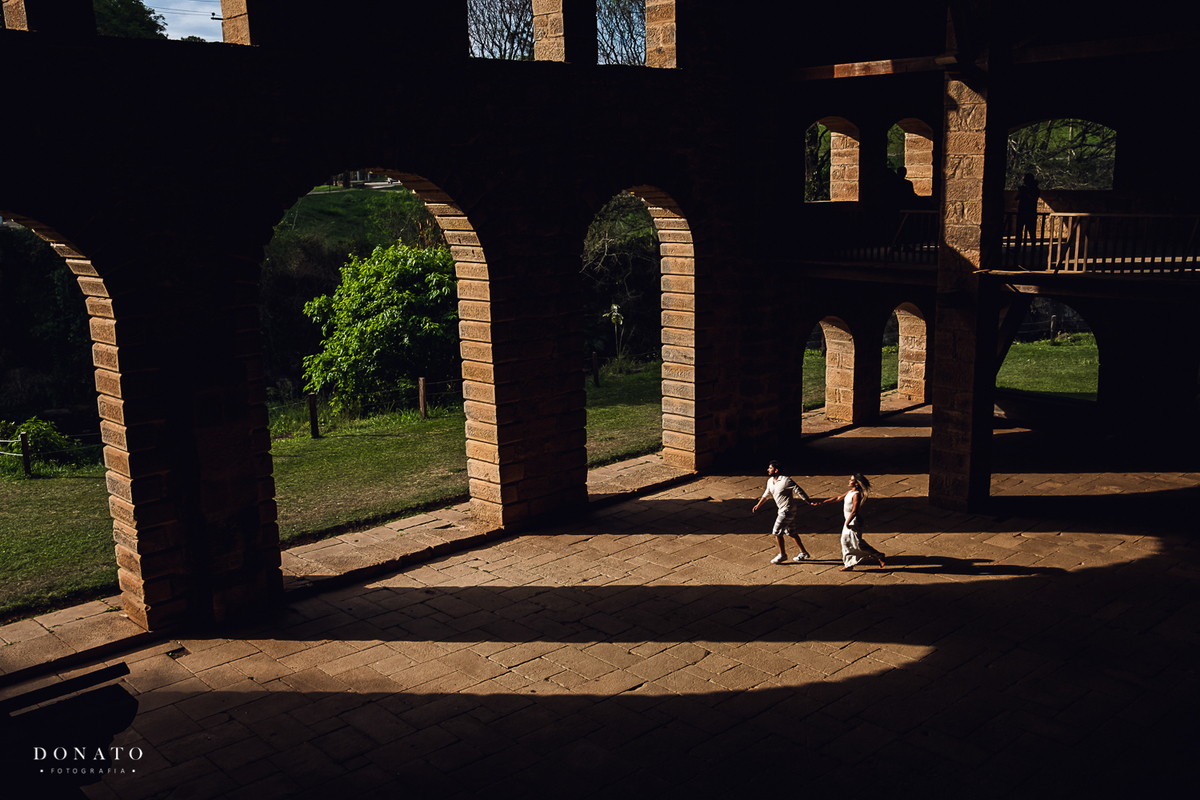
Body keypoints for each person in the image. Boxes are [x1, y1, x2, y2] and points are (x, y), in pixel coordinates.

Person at [751, 460, 816, 564]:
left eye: (770, 468)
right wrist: (758, 505)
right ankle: (804, 553)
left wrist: (808, 501)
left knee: (776, 531)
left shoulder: (786, 481)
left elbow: (798, 490)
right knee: (791, 532)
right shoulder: (770, 481)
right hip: (782, 510)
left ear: (776, 470)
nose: (768, 469)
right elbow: (767, 494)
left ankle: (782, 555)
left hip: (787, 510)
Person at [822, 473, 885, 572]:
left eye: (851, 480)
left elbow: (854, 511)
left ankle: (879, 555)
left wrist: (848, 522)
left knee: (857, 544)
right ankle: (849, 564)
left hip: (854, 522)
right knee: (845, 541)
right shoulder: (850, 492)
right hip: (849, 521)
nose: (849, 481)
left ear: (856, 484)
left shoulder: (856, 495)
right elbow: (838, 498)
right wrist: (824, 502)